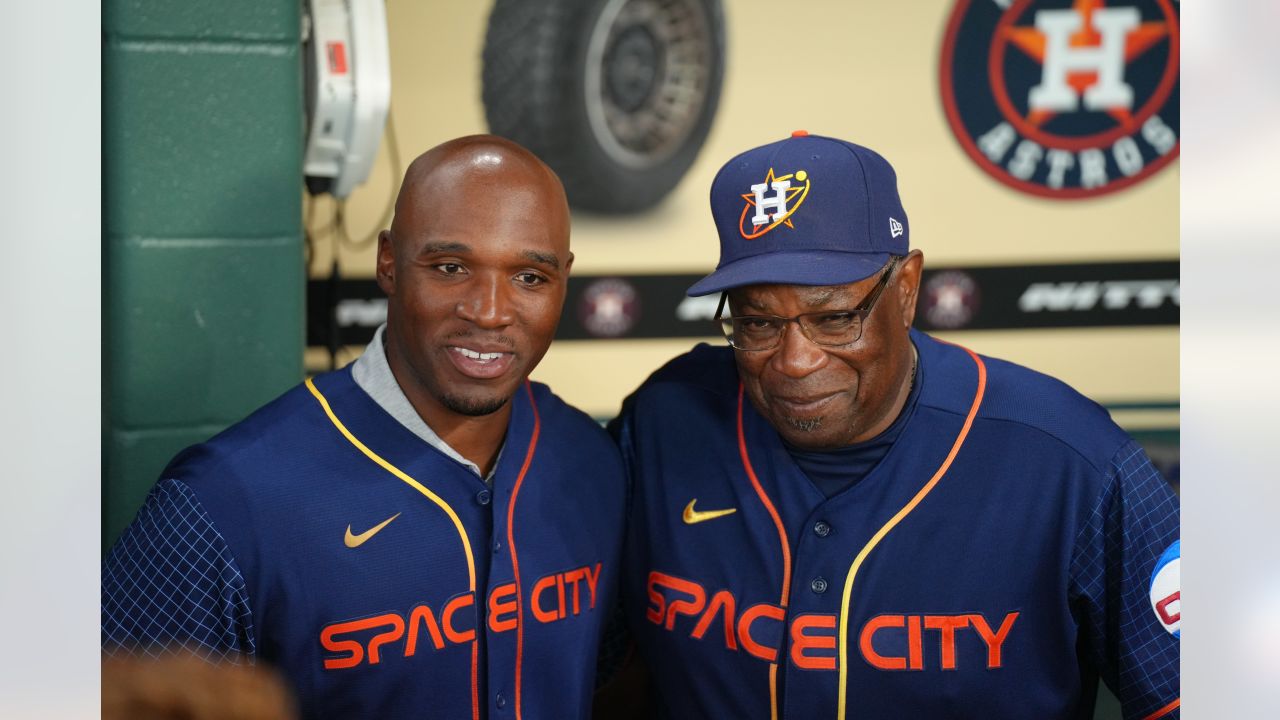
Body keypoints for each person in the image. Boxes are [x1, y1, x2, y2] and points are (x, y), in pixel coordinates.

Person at [609, 131, 1180, 719]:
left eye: (834, 319)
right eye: (758, 324)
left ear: (906, 289)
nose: (794, 360)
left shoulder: (1068, 457)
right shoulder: (663, 420)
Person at [103, 135, 626, 720]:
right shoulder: (220, 506)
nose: (489, 311)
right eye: (450, 267)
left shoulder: (592, 461)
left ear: (566, 280)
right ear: (388, 263)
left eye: (530, 277)